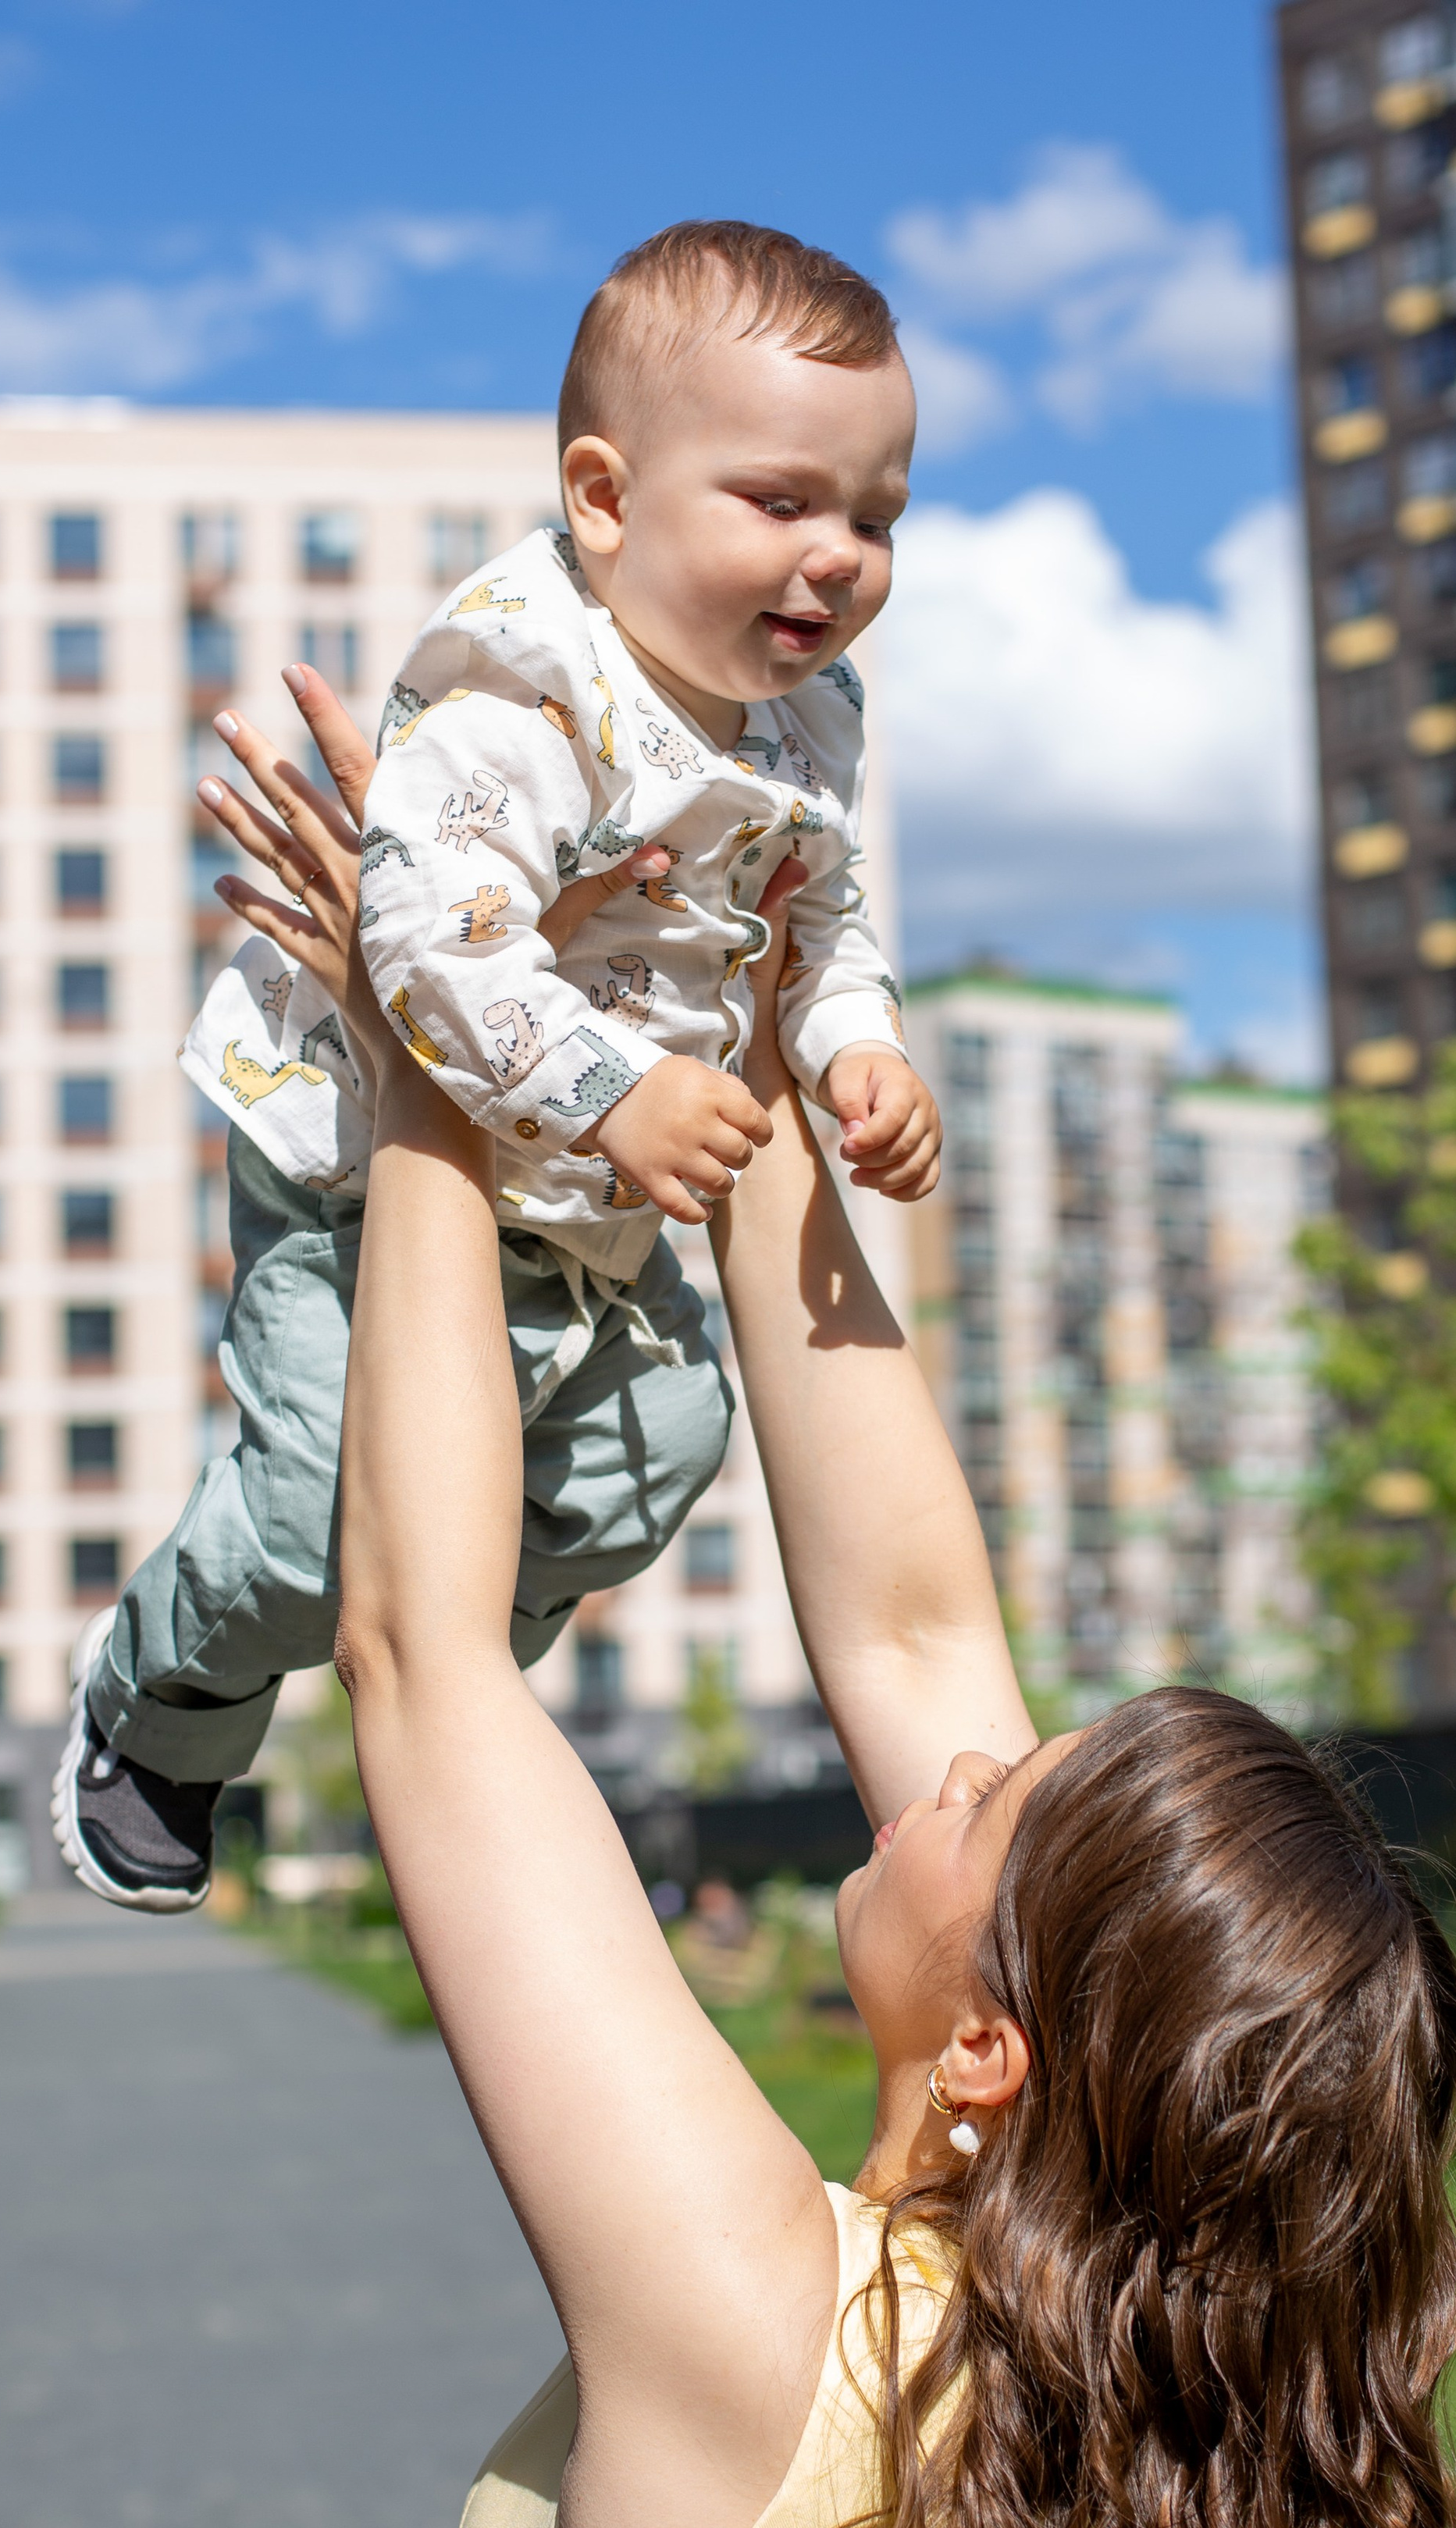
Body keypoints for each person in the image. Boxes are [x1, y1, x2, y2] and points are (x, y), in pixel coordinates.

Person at [190, 685, 1456, 2528]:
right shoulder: (1112, 2406)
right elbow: (910, 1614)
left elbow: (426, 1665)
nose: (951, 1752)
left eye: (1001, 1796)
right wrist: (730, 967)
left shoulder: (774, 2341)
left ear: (1000, 2052)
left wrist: (437, 1009)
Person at [53, 219, 939, 1914]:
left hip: (588, 1208)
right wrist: (617, 1090)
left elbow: (821, 924)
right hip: (369, 1173)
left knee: (663, 1446)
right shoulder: (519, 690)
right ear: (602, 499)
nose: (837, 558)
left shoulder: (804, 719)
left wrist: (859, 1054)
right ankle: (165, 1695)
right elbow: (426, 953)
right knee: (323, 1516)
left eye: (875, 517)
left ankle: (443, 1624)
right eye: (781, 502)